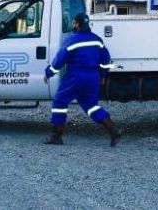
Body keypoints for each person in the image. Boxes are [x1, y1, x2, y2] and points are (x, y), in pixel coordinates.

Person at [43, 13, 122, 146]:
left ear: (77, 24)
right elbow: (106, 61)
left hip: (75, 77)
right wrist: (102, 75)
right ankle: (113, 130)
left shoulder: (71, 40)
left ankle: (56, 135)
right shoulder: (97, 40)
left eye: (74, 23)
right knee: (92, 106)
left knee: (60, 101)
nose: (73, 25)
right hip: (92, 78)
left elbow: (60, 59)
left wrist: (49, 73)